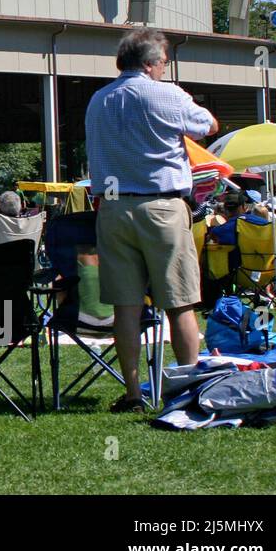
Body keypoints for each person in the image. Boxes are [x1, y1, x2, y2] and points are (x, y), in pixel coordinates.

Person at [85, 28, 218, 412]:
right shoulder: (167, 93)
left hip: (112, 206)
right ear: (150, 63)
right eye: (163, 62)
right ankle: (187, 388)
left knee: (125, 307)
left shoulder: (98, 100)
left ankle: (132, 393)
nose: (164, 68)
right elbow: (208, 125)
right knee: (179, 302)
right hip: (161, 205)